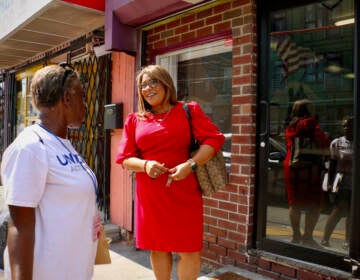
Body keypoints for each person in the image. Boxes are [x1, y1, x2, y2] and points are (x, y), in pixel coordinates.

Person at [116, 64, 225, 280]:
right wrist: (145, 165)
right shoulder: (135, 119)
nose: (148, 88)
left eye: (153, 82)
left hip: (185, 192)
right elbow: (125, 159)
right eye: (143, 85)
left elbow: (214, 140)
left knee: (190, 250)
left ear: (166, 84)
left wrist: (190, 164)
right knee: (158, 248)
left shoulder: (189, 110)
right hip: (151, 194)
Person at [1, 64, 100, 280]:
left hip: (73, 269)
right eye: (81, 98)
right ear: (66, 99)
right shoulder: (30, 147)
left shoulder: (62, 143)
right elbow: (19, 224)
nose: (85, 106)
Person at [283, 99, 329, 247]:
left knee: (294, 204)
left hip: (292, 166)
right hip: (310, 169)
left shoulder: (290, 125)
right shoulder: (309, 122)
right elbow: (322, 141)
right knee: (315, 204)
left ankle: (295, 235)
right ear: (308, 109)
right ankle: (307, 237)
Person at [321, 116, 353, 249]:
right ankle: (325, 239)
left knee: (353, 213)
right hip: (341, 180)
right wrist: (329, 182)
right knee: (338, 210)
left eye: (349, 126)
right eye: (344, 125)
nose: (346, 128)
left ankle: (348, 241)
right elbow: (332, 164)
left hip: (355, 181)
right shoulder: (337, 142)